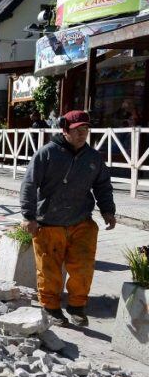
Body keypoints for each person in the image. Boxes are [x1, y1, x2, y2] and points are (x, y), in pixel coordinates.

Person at [20, 110, 116, 327]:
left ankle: (77, 306)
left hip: (81, 222)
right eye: (77, 130)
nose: (82, 134)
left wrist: (108, 211)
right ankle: (51, 307)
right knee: (49, 270)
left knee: (83, 267)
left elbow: (102, 185)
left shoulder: (93, 158)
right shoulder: (47, 154)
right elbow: (29, 184)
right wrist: (28, 216)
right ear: (65, 130)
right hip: (49, 223)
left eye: (85, 130)